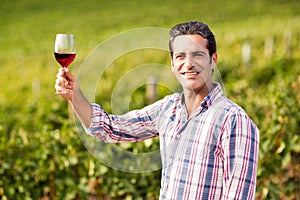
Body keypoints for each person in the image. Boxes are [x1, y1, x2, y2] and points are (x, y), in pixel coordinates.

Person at [55, 21, 259, 199]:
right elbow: (110, 128)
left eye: (197, 54)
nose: (188, 64)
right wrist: (75, 95)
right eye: (180, 56)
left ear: (213, 60)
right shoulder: (168, 108)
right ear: (172, 64)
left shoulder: (233, 120)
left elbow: (238, 194)